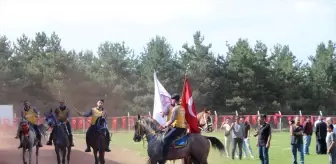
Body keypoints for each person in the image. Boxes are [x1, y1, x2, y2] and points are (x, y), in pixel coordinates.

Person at [162, 94, 187, 159]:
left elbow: (172, 120)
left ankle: (164, 156)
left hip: (177, 128)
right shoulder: (182, 108)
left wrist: (165, 125)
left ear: (175, 100)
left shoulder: (175, 108)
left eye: (172, 99)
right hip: (183, 128)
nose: (171, 100)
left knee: (165, 139)